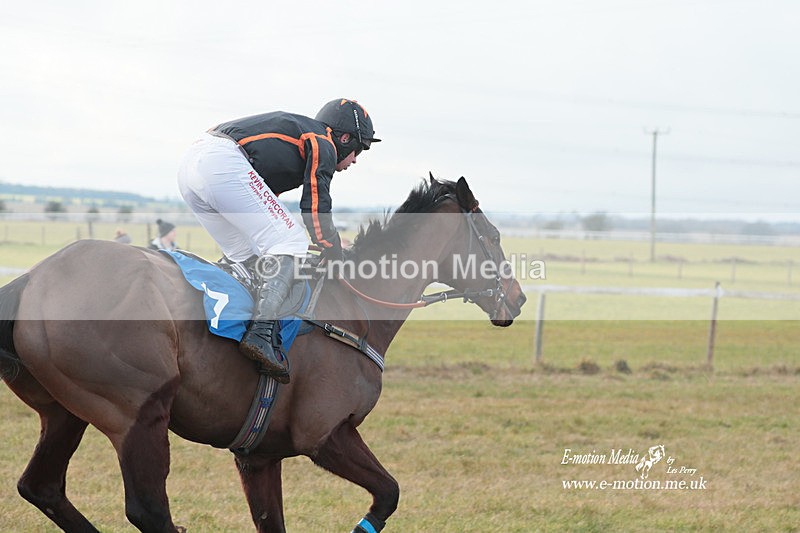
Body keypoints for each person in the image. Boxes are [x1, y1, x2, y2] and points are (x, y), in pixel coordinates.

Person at [177, 98, 380, 383]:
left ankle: (228, 333)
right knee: (291, 241)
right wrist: (332, 251)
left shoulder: (302, 137)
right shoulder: (323, 142)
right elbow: (316, 205)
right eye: (359, 149)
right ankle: (260, 333)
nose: (356, 159)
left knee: (248, 257)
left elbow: (263, 205)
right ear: (344, 138)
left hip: (192, 167)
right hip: (219, 163)